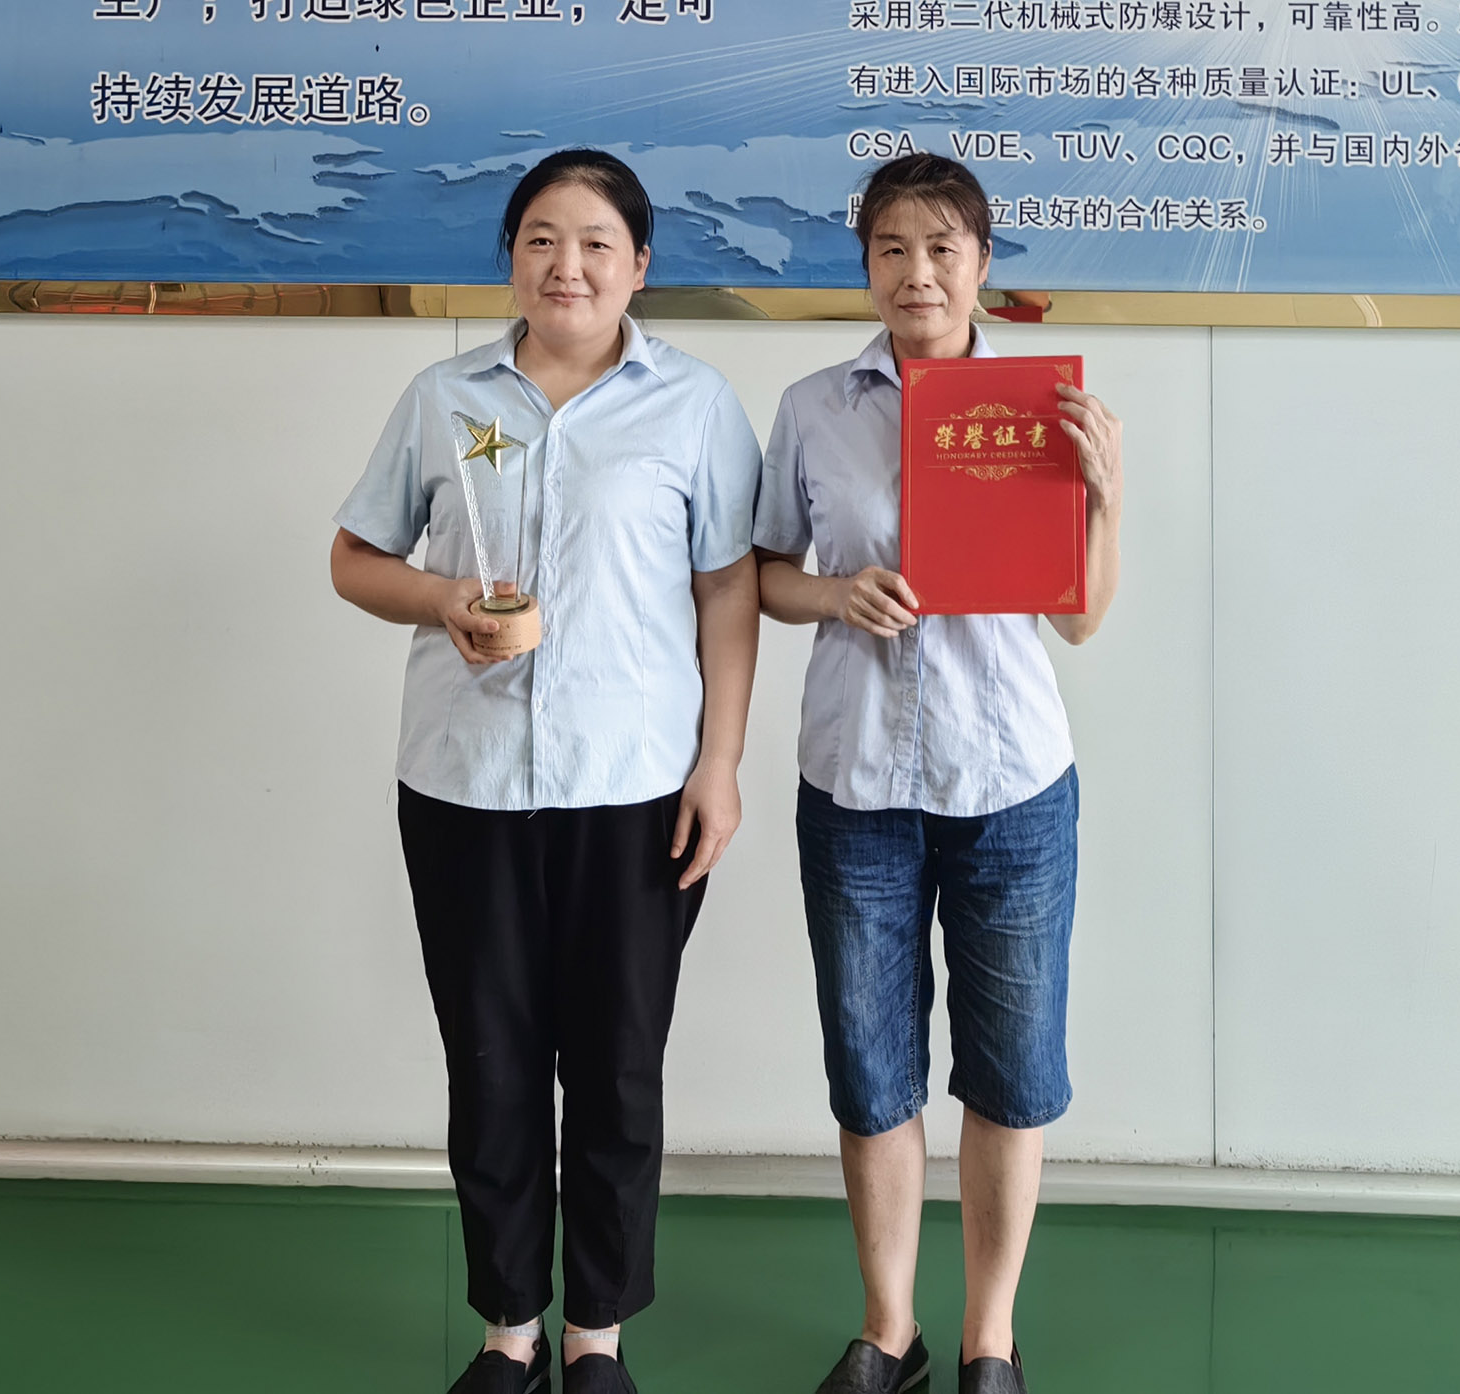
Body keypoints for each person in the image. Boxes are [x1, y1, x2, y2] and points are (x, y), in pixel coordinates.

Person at [330, 149, 762, 1394]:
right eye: (539, 240)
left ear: (638, 264)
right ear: (510, 258)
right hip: (463, 784)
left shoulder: (694, 404)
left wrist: (720, 762)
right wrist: (441, 597)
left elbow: (726, 589)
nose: (565, 265)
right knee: (492, 1058)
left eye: (593, 243)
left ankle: (596, 1336)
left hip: (634, 787)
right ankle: (510, 1329)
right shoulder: (442, 395)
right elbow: (355, 558)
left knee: (617, 1066)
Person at [752, 153, 1125, 1394]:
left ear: (980, 262)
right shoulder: (813, 407)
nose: (916, 272)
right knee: (872, 1072)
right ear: (865, 264)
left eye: (941, 248)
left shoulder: (1036, 408)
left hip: (1008, 782)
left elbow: (1078, 618)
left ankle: (989, 1337)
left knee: (1010, 1073)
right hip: (855, 781)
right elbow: (763, 574)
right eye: (891, 249)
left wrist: (1103, 498)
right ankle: (888, 1329)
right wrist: (834, 595)